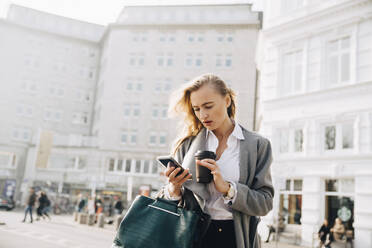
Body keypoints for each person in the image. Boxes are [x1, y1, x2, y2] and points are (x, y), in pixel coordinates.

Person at [160, 74, 274, 248]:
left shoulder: (258, 145)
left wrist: (229, 189)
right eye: (197, 109)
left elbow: (264, 203)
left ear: (227, 100)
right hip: (194, 236)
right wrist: (173, 188)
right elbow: (169, 200)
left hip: (235, 238)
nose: (203, 115)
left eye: (208, 106)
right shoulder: (187, 145)